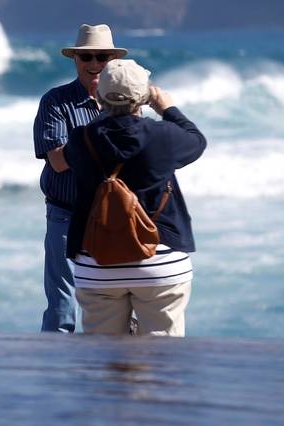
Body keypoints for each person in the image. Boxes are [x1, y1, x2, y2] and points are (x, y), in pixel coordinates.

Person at [59, 59, 206, 336]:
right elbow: (197, 141)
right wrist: (167, 108)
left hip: (97, 265)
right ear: (144, 96)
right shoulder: (164, 136)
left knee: (104, 361)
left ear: (99, 95)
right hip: (160, 262)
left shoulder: (82, 140)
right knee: (161, 361)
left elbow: (86, 147)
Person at [33, 24, 127, 332]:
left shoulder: (124, 104)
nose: (94, 64)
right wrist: (102, 142)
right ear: (75, 60)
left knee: (113, 303)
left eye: (101, 57)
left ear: (112, 59)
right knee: (63, 304)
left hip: (111, 218)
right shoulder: (55, 101)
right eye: (86, 57)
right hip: (66, 215)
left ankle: (103, 371)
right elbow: (58, 161)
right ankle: (57, 371)